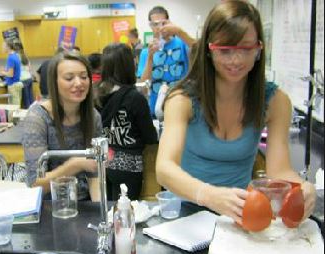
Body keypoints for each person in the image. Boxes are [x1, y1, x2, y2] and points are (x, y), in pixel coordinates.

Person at [155, 0, 316, 225]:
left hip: (238, 214)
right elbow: (164, 168)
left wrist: (303, 188)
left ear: (259, 49)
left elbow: (279, 170)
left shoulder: (275, 101)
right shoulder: (182, 99)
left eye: (246, 48)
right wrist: (209, 195)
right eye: (225, 50)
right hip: (185, 215)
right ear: (209, 51)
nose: (235, 60)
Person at [22, 51, 103, 202]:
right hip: (49, 207)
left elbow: (94, 175)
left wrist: (99, 209)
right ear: (54, 82)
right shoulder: (38, 118)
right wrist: (75, 164)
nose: (79, 83)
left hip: (84, 204)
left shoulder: (93, 116)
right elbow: (35, 184)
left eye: (84, 77)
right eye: (69, 78)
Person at [96, 43, 158, 201]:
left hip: (103, 163)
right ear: (129, 66)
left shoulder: (95, 94)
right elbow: (150, 137)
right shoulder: (134, 97)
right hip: (129, 165)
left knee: (108, 210)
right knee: (127, 213)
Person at [137, 6, 195, 118]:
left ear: (169, 23)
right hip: (156, 109)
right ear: (150, 26)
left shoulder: (182, 44)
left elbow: (199, 49)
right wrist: (150, 58)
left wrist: (179, 31)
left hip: (182, 106)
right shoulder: (146, 52)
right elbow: (144, 86)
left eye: (163, 23)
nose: (159, 28)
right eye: (155, 24)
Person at [0, 39, 23, 106]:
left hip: (13, 86)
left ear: (8, 47)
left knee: (13, 108)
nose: (2, 48)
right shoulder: (15, 55)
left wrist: (2, 72)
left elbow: (10, 74)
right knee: (17, 106)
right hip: (17, 84)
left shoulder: (10, 58)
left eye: (3, 46)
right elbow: (14, 70)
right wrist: (5, 70)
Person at [14, 41, 34, 109]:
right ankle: (33, 115)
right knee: (31, 99)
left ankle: (28, 117)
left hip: (22, 80)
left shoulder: (16, 56)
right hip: (29, 78)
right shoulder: (25, 55)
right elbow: (29, 68)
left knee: (26, 101)